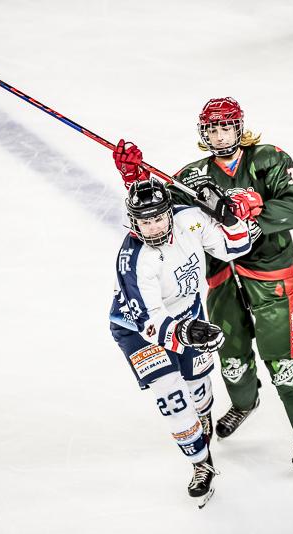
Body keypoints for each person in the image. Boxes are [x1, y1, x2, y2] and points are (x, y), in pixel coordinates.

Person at [114, 98, 293, 478]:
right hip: (221, 278)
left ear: (239, 127)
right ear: (202, 133)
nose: (220, 135)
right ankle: (245, 403)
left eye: (226, 126)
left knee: (284, 366)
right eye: (212, 129)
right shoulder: (193, 175)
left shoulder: (270, 159)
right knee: (232, 359)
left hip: (271, 274)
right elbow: (158, 211)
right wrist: (135, 178)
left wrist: (252, 207)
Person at [108, 163, 251, 505]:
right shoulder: (134, 260)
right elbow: (149, 322)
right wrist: (185, 332)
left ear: (169, 212)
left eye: (158, 218)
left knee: (198, 387)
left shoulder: (190, 219)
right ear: (133, 222)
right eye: (145, 222)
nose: (153, 227)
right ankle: (201, 463)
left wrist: (229, 219)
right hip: (137, 329)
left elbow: (236, 247)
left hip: (187, 312)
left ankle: (203, 417)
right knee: (171, 395)